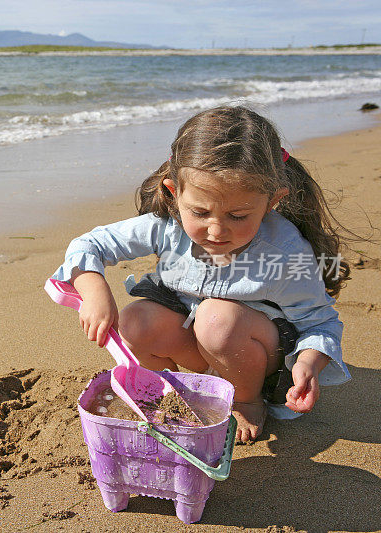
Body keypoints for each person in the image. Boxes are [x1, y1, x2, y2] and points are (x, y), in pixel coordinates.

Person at [52, 105, 352, 443]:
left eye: (238, 215)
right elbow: (89, 245)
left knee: (215, 318)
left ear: (271, 202)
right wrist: (93, 289)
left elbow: (320, 322)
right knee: (135, 320)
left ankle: (246, 400)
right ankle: (167, 396)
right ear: (174, 192)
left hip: (254, 357)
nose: (216, 229)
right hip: (198, 342)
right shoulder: (166, 226)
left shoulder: (283, 252)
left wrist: (309, 364)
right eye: (200, 212)